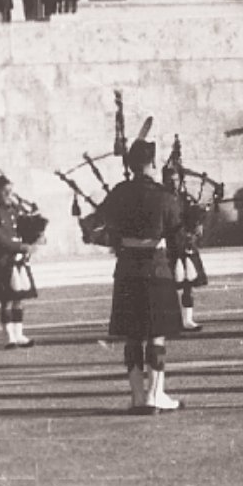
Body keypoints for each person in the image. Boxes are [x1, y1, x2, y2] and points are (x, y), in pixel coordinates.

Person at [98, 139, 187, 413]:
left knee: (133, 336)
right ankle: (154, 394)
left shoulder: (119, 193)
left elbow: (98, 224)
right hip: (156, 269)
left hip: (126, 269)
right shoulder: (164, 196)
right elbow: (178, 237)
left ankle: (137, 396)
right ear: (152, 163)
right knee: (156, 335)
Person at [0, 176, 38, 349]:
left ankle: (19, 333)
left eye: (10, 190)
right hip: (4, 261)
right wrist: (20, 246)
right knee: (6, 299)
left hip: (19, 261)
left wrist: (35, 238)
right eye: (5, 191)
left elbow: (25, 230)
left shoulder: (16, 211)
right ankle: (9, 336)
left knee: (18, 299)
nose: (8, 194)